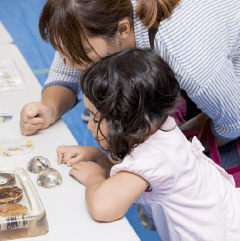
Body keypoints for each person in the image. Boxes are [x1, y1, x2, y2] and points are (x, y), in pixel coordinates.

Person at [57, 48, 240, 240]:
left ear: (124, 122)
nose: (90, 126)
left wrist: (94, 177)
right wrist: (98, 157)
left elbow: (103, 208)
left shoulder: (153, 157)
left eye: (95, 117)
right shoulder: (160, 128)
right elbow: (128, 178)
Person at [20, 0, 240, 151]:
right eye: (63, 52)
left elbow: (233, 123)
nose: (69, 64)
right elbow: (65, 67)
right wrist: (50, 108)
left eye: (81, 54)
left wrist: (177, 150)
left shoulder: (185, 56)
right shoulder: (95, 20)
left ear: (123, 30)